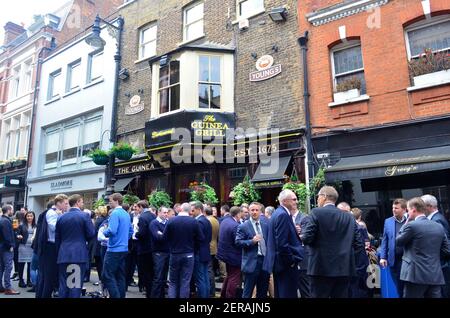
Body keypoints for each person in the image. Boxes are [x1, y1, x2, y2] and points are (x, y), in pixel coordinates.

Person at [301, 186, 364, 298]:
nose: (317, 199)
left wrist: (300, 235)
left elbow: (307, 238)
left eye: (318, 196)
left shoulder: (316, 213)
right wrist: (350, 262)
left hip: (320, 269)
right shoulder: (349, 217)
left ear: (324, 197)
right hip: (344, 269)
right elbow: (359, 244)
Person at [396, 197, 450, 298]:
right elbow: (447, 250)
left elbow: (398, 241)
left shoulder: (411, 226)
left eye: (407, 210)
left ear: (413, 209)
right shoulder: (438, 226)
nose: (406, 213)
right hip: (434, 274)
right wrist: (432, 258)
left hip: (415, 275)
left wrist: (406, 222)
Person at [264, 190, 304, 298]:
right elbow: (281, 244)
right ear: (285, 201)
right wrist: (290, 261)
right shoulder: (282, 215)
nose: (297, 201)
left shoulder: (278, 213)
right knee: (287, 294)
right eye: (294, 199)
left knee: (281, 293)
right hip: (285, 265)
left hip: (279, 264)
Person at [55, 194, 95, 298]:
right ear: (77, 202)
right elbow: (91, 234)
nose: (82, 204)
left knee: (63, 285)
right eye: (82, 202)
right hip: (77, 255)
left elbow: (57, 238)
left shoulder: (61, 217)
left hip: (63, 255)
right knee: (74, 286)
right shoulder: (84, 216)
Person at [163, 203, 203, 298]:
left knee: (173, 281)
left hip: (174, 253)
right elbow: (201, 238)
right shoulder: (194, 222)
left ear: (180, 209)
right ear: (190, 211)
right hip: (189, 253)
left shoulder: (171, 221)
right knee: (185, 281)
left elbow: (164, 237)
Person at [36, 194, 69, 298]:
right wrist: (61, 216)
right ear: (58, 203)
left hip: (53, 247)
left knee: (49, 276)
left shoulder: (57, 212)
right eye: (65, 203)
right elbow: (55, 228)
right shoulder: (52, 212)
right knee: (48, 276)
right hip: (50, 248)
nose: (67, 206)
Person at [102, 193, 133, 298]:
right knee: (120, 276)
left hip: (113, 249)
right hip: (123, 248)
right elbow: (130, 231)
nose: (109, 203)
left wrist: (104, 232)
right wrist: (123, 240)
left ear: (116, 201)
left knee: (107, 275)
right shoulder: (126, 213)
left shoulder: (115, 213)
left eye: (110, 200)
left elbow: (112, 230)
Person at [236, 202, 269, 298]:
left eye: (256, 210)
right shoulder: (243, 226)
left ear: (260, 212)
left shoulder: (265, 225)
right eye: (252, 210)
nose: (254, 212)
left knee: (263, 292)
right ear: (249, 212)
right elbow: (238, 242)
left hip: (264, 262)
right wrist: (252, 241)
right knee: (247, 292)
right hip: (251, 263)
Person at [421, 194, 450, 298]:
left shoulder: (436, 220)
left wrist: (435, 258)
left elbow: (445, 244)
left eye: (421, 206)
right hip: (438, 265)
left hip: (440, 265)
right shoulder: (434, 218)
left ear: (429, 206)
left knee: (442, 293)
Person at [379, 198, 408, 298]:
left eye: (396, 208)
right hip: (394, 261)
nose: (393, 210)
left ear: (404, 209)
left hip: (409, 261)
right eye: (393, 208)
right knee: (399, 287)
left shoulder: (410, 221)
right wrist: (383, 257)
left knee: (409, 287)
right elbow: (385, 240)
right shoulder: (388, 221)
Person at [217, 206, 243, 298]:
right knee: (234, 278)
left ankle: (224, 294)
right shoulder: (235, 225)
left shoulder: (225, 221)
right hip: (233, 256)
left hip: (224, 254)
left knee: (229, 275)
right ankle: (229, 296)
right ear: (238, 214)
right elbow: (238, 242)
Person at [134, 200, 156, 297]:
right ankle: (152, 292)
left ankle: (149, 293)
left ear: (141, 207)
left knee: (145, 272)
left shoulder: (142, 217)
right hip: (152, 247)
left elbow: (142, 233)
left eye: (137, 208)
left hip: (144, 248)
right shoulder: (153, 215)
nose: (136, 210)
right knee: (151, 272)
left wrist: (136, 234)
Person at [191, 202, 212, 298]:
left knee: (200, 278)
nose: (192, 212)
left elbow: (199, 238)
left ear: (199, 209)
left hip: (199, 252)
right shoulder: (206, 220)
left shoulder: (199, 222)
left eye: (193, 210)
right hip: (205, 251)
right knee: (205, 277)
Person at [149, 206, 169, 298]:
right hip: (158, 253)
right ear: (159, 213)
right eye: (164, 212)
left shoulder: (168, 223)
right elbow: (157, 238)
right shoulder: (154, 223)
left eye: (166, 213)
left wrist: (162, 234)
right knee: (158, 277)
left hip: (167, 252)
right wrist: (165, 235)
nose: (166, 214)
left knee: (164, 278)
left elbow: (168, 236)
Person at [0, 205, 20, 295]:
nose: (12, 211)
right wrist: (11, 245)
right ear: (8, 210)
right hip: (6, 248)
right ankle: (8, 288)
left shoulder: (3, 219)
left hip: (2, 247)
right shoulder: (5, 221)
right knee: (8, 267)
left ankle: (1, 287)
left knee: (2, 267)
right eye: (12, 209)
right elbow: (7, 235)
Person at [292, 208, 311, 298]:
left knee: (305, 288)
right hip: (291, 258)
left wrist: (293, 234)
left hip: (303, 258)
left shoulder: (304, 218)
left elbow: (307, 236)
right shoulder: (287, 218)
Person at [17, 211, 36, 288]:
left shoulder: (36, 225)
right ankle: (21, 281)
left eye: (31, 216)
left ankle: (29, 280)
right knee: (21, 264)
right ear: (26, 217)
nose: (29, 217)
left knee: (30, 265)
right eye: (28, 216)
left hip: (32, 247)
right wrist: (19, 236)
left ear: (33, 217)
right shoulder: (21, 225)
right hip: (23, 246)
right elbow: (17, 233)